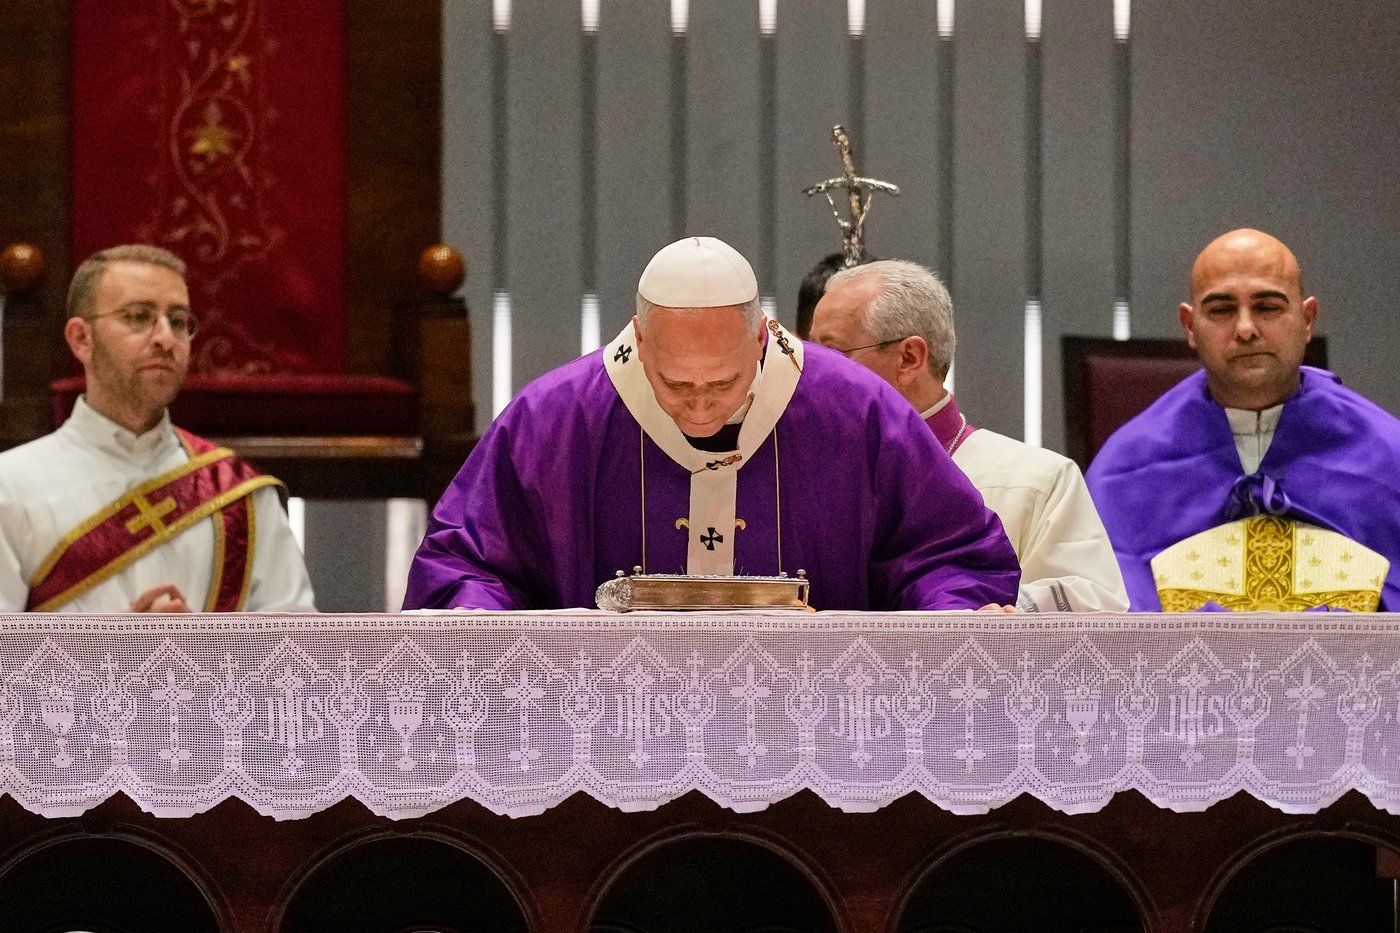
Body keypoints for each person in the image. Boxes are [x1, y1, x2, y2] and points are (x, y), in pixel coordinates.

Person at [405, 236, 1019, 611]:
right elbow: (468, 564)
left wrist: (956, 612)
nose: (700, 407)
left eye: (723, 383)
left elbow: (948, 554)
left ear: (760, 338)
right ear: (640, 341)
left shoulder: (853, 409)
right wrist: (473, 617)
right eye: (676, 384)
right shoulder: (558, 419)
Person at [1086, 228, 1400, 610]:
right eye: (1221, 309)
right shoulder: (1126, 467)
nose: (1246, 329)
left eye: (1267, 306)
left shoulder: (1388, 453)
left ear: (1307, 318)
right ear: (1189, 325)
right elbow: (1104, 618)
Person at [0, 245, 315, 612]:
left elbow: (294, 657)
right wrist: (120, 655)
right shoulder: (9, 487)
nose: (166, 338)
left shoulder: (239, 495)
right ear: (81, 339)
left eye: (179, 321)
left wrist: (192, 652)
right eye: (138, 317)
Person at [810, 259, 1128, 612]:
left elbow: (1096, 605)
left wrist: (1003, 614)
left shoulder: (1036, 480)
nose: (813, 372)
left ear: (909, 359)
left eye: (831, 352)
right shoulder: (797, 472)